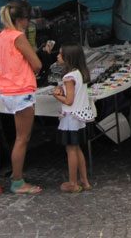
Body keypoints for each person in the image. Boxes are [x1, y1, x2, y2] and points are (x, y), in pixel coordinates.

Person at [0, 0, 43, 194]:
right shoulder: (18, 37)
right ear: (23, 19)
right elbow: (37, 63)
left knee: (20, 137)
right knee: (22, 138)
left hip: (6, 89)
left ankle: (17, 178)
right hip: (21, 90)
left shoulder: (0, 37)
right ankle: (17, 181)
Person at [51, 44, 93, 193]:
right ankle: (84, 180)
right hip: (79, 117)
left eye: (61, 54)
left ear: (68, 58)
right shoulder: (80, 73)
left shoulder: (68, 77)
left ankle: (73, 182)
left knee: (71, 150)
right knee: (77, 148)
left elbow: (69, 101)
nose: (58, 56)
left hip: (70, 118)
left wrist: (57, 95)